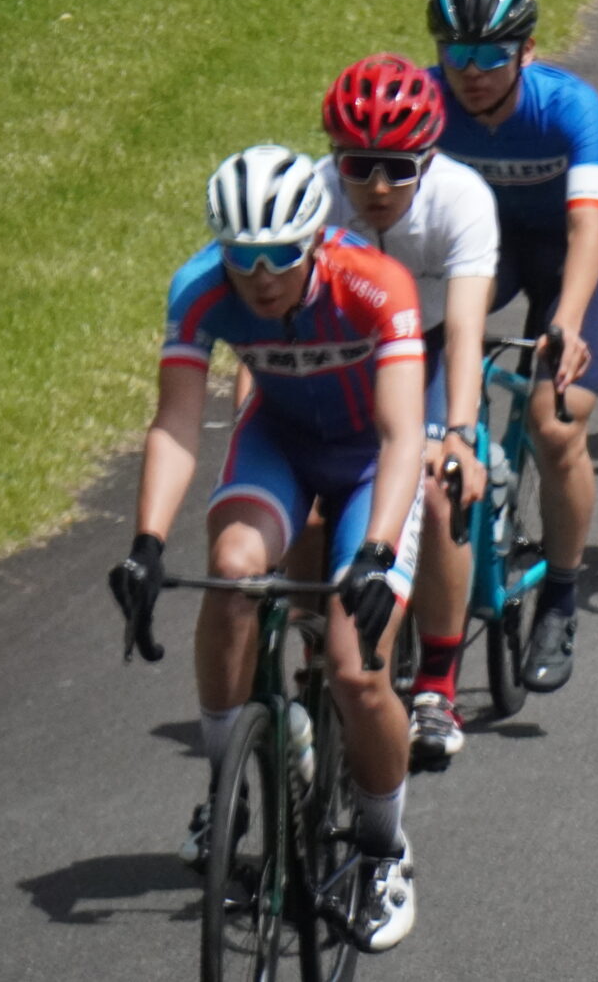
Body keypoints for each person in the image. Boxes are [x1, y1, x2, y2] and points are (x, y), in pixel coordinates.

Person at [108, 144, 423, 952]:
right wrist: (146, 541)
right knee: (236, 572)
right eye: (239, 255)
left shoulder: (375, 287)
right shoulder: (200, 290)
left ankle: (384, 848)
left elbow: (398, 438)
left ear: (317, 238)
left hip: (367, 467)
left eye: (279, 254)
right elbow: (177, 423)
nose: (258, 274)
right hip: (279, 441)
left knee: (356, 668)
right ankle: (226, 784)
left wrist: (378, 555)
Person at [425, 0, 598, 695]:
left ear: (528, 51)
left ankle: (562, 597)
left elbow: (587, 229)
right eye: (457, 54)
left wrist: (566, 323)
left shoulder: (566, 107)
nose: (471, 73)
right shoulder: (429, 104)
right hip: (491, 249)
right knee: (425, 390)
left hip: (574, 253)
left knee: (556, 423)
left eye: (492, 56)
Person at [317, 56, 498, 765]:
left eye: (399, 166)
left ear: (428, 156)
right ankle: (314, 648)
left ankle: (436, 682)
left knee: (436, 482)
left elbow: (462, 332)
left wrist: (457, 433)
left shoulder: (461, 198)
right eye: (359, 166)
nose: (380, 186)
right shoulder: (313, 195)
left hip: (422, 349)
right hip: (343, 354)